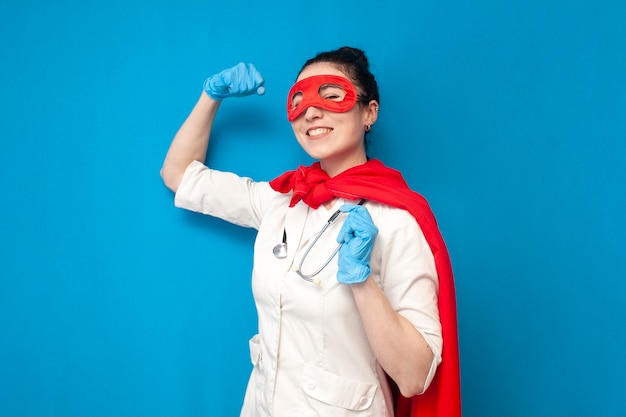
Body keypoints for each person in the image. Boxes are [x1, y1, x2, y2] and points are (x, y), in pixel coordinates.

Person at [161, 47, 461, 417]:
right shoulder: (281, 200)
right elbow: (179, 175)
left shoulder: (397, 220)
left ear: (369, 112)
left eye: (332, 95)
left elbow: (415, 377)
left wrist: (362, 282)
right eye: (298, 101)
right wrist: (211, 96)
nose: (311, 111)